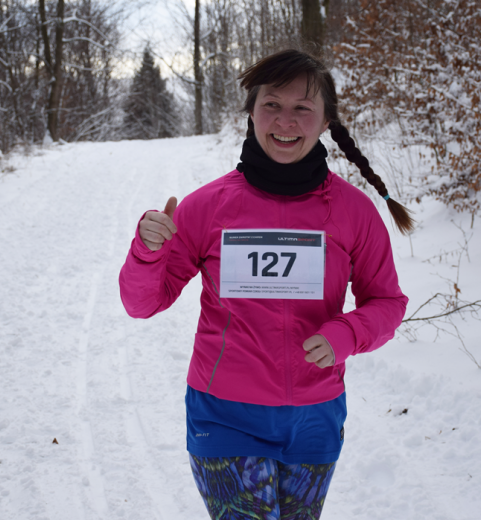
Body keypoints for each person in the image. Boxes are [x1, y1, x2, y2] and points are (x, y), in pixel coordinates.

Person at [119, 49, 414, 520]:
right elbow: (142, 303)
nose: (286, 121)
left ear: (325, 122)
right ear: (251, 112)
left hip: (315, 419)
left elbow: (387, 302)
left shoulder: (353, 211)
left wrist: (346, 334)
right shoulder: (207, 207)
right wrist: (147, 252)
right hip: (224, 416)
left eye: (303, 108)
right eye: (272, 104)